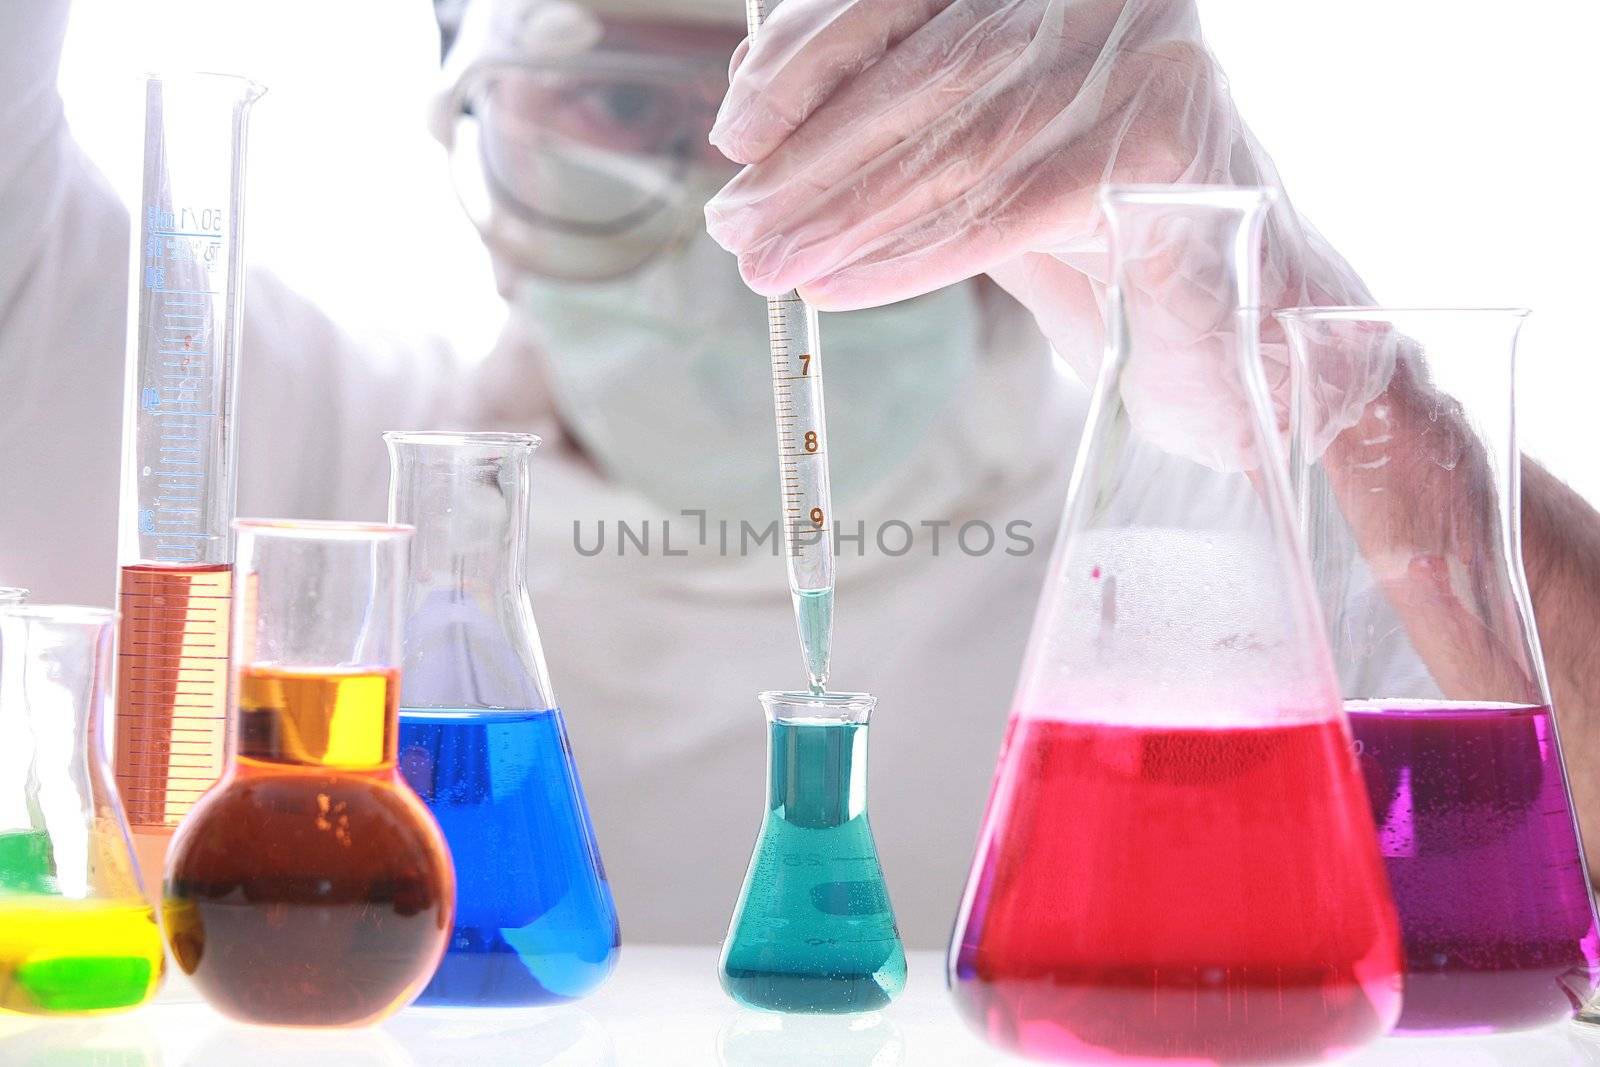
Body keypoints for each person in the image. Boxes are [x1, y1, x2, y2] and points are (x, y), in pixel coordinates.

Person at [3, 0, 1598, 954]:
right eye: (624, 98)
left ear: (1014, 83)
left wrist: (1323, 362)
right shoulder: (290, 440)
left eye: (860, 95)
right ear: (466, 135)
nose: (731, 197)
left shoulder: (1222, 508)